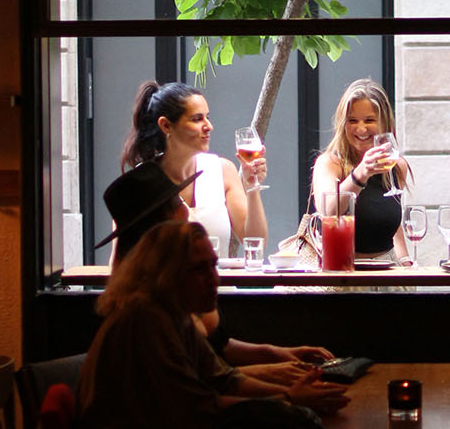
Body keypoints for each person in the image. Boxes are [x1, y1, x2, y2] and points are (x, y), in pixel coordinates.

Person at [69, 220, 348, 429]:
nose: (215, 279)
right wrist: (288, 398)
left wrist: (291, 394)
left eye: (214, 265)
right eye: (199, 269)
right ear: (165, 275)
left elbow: (223, 378)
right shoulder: (144, 322)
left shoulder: (173, 315)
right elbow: (197, 410)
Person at [99, 161, 334, 381]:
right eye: (178, 203)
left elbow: (217, 350)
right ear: (163, 227)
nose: (186, 210)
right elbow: (208, 388)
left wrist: (277, 354)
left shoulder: (162, 288)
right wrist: (285, 383)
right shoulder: (149, 314)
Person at [121, 80, 267, 256]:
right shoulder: (141, 182)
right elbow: (121, 260)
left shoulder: (222, 171)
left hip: (217, 283)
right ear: (166, 125)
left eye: (208, 117)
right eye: (197, 119)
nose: (209, 126)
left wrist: (252, 188)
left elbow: (256, 243)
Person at [311, 78, 411, 264]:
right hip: (342, 272)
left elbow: (392, 222)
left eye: (370, 120)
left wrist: (405, 260)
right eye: (352, 120)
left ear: (385, 123)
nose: (361, 128)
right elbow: (329, 213)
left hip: (386, 271)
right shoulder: (330, 163)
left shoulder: (396, 167)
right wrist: (360, 174)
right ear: (342, 124)